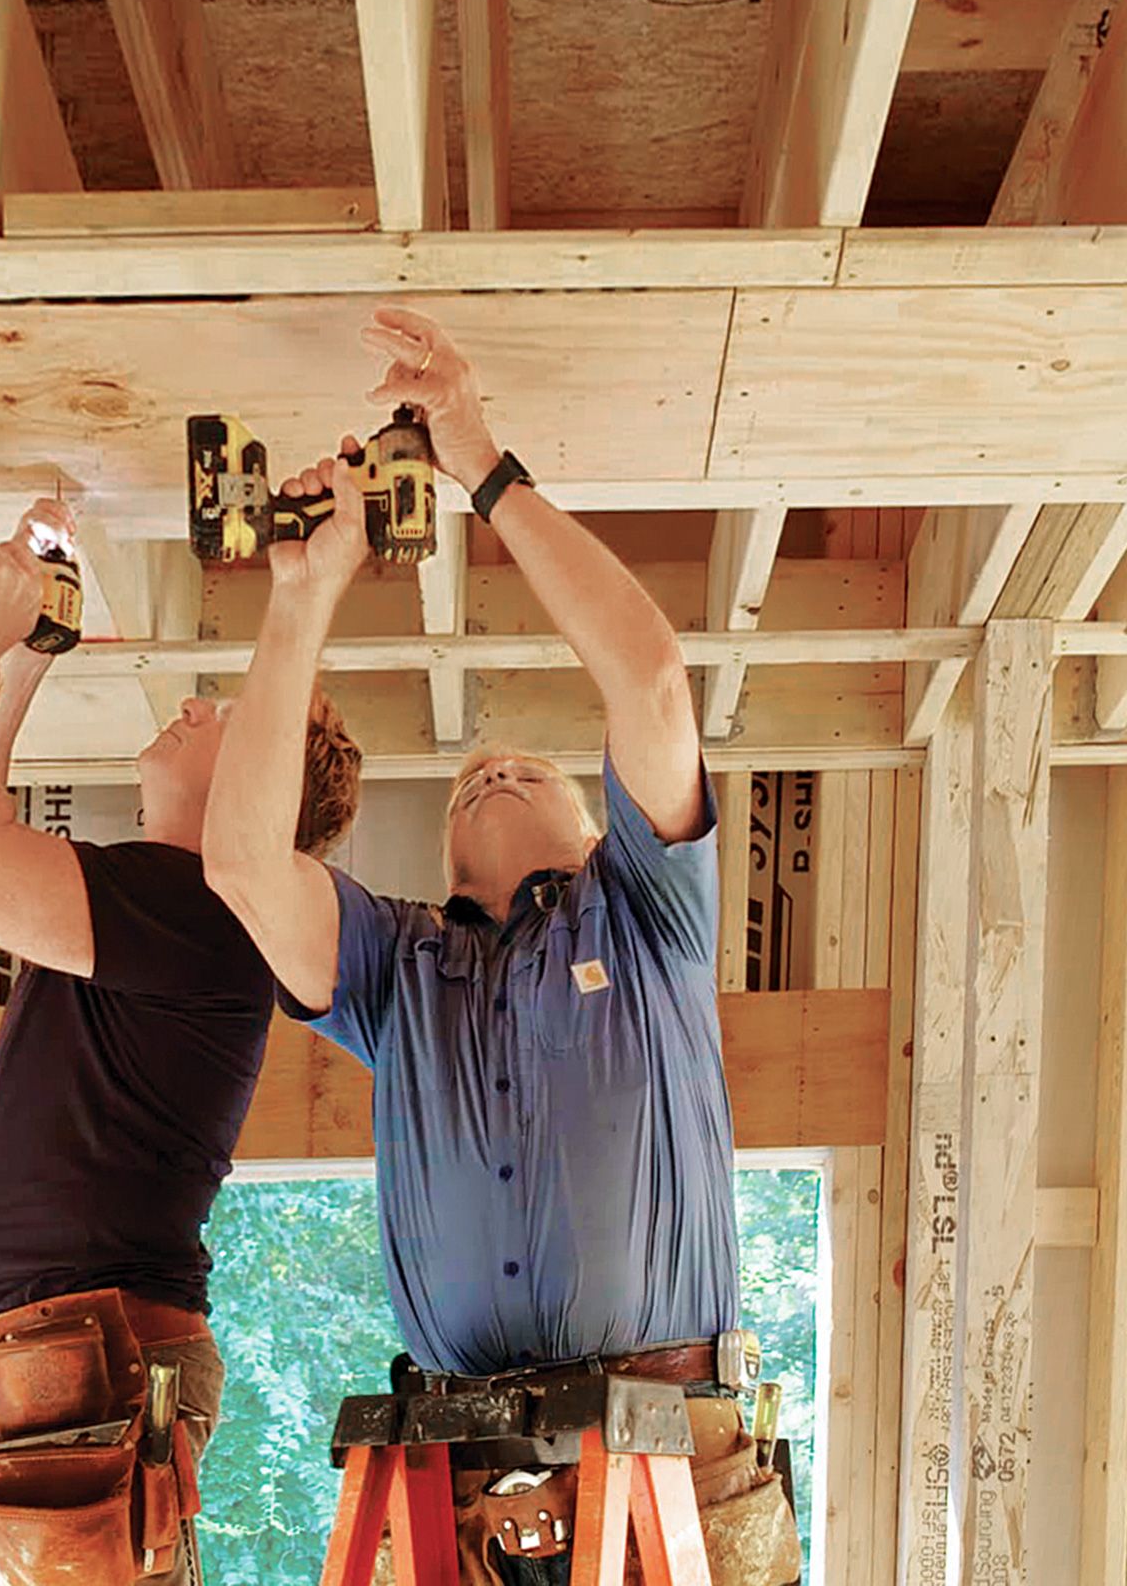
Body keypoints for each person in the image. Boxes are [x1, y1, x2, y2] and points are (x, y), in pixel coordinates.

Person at [199, 311, 800, 1585]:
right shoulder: (397, 970)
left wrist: (484, 466)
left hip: (646, 1457)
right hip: (491, 1477)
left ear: (604, 832)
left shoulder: (647, 917)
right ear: (439, 869)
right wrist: (305, 593)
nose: (493, 772)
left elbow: (646, 680)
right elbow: (244, 864)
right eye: (473, 780)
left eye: (527, 768)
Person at [0, 497, 363, 1585]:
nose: (197, 704)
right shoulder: (186, 909)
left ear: (263, 788)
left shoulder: (198, 910)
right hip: (87, 1367)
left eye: (229, 716)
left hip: (83, 1367)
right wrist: (5, 648)